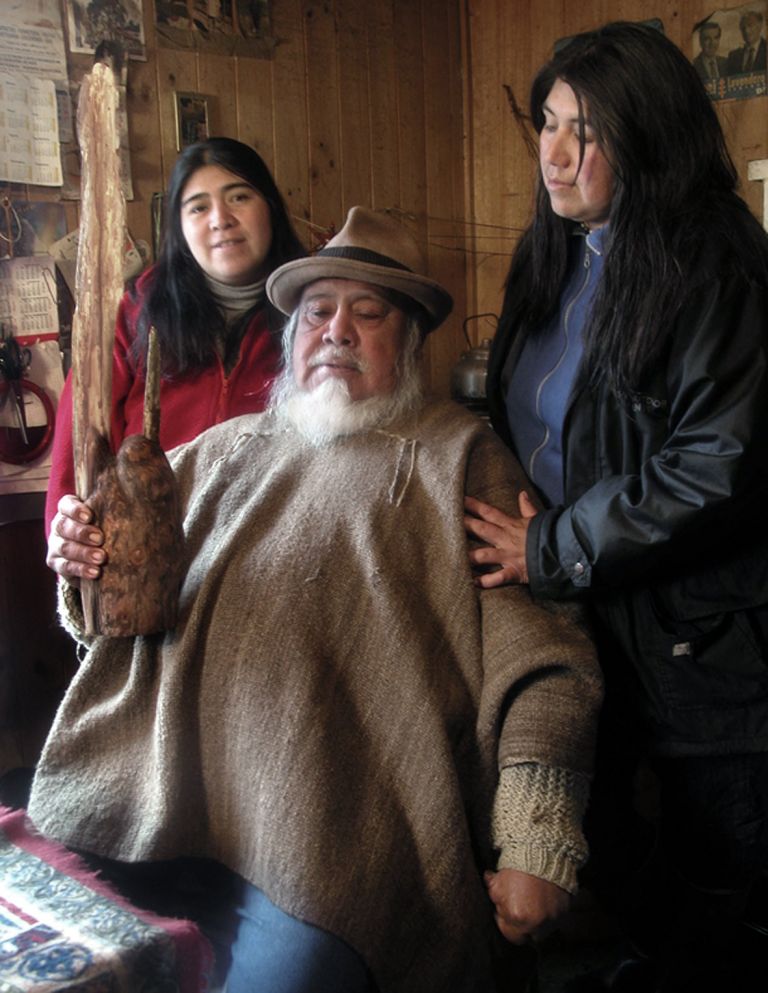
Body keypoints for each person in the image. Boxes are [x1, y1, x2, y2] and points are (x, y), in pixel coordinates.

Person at [31, 206, 603, 993]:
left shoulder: (456, 459)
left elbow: (544, 660)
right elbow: (114, 614)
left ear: (408, 343)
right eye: (317, 312)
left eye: (369, 314)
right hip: (148, 806)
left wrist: (538, 839)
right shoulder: (218, 452)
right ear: (292, 337)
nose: (337, 330)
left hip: (335, 852)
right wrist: (83, 567)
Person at [464, 21, 768, 993]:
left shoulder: (717, 260)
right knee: (623, 862)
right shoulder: (550, 249)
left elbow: (718, 467)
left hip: (702, 644)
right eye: (548, 125)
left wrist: (553, 545)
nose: (555, 155)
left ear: (649, 135)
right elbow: (524, 407)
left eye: (585, 132)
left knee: (726, 892)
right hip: (586, 608)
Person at [45, 136, 305, 572]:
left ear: (271, 210)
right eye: (198, 206)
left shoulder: (317, 315)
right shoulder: (129, 315)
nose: (221, 219)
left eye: (239, 196)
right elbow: (76, 460)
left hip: (277, 566)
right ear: (180, 228)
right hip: (142, 569)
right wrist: (65, 532)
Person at [726, 9, 767, 74]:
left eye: (750, 25)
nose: (746, 31)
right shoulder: (733, 56)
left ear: (760, 26)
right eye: (743, 28)